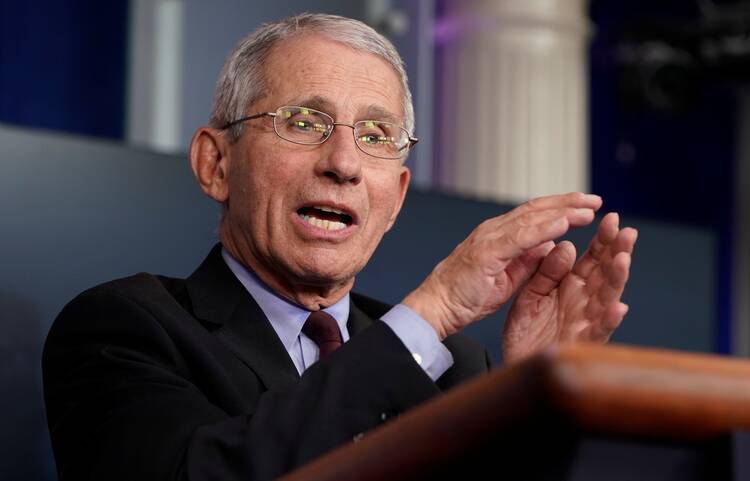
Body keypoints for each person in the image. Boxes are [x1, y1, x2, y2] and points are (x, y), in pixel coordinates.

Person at [42, 13, 637, 481]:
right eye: (303, 123)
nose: (345, 163)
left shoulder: (458, 373)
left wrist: (536, 397)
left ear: (397, 197)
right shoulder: (124, 329)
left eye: (377, 136)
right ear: (216, 163)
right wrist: (431, 312)